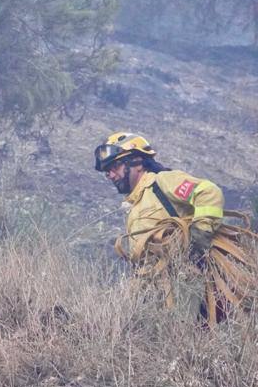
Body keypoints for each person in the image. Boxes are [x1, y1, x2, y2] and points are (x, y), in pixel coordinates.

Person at [94, 131, 242, 323]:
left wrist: (198, 239)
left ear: (137, 162)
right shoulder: (136, 206)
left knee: (181, 337)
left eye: (114, 167)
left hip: (186, 281)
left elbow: (209, 192)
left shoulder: (162, 182)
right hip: (155, 290)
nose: (110, 175)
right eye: (107, 172)